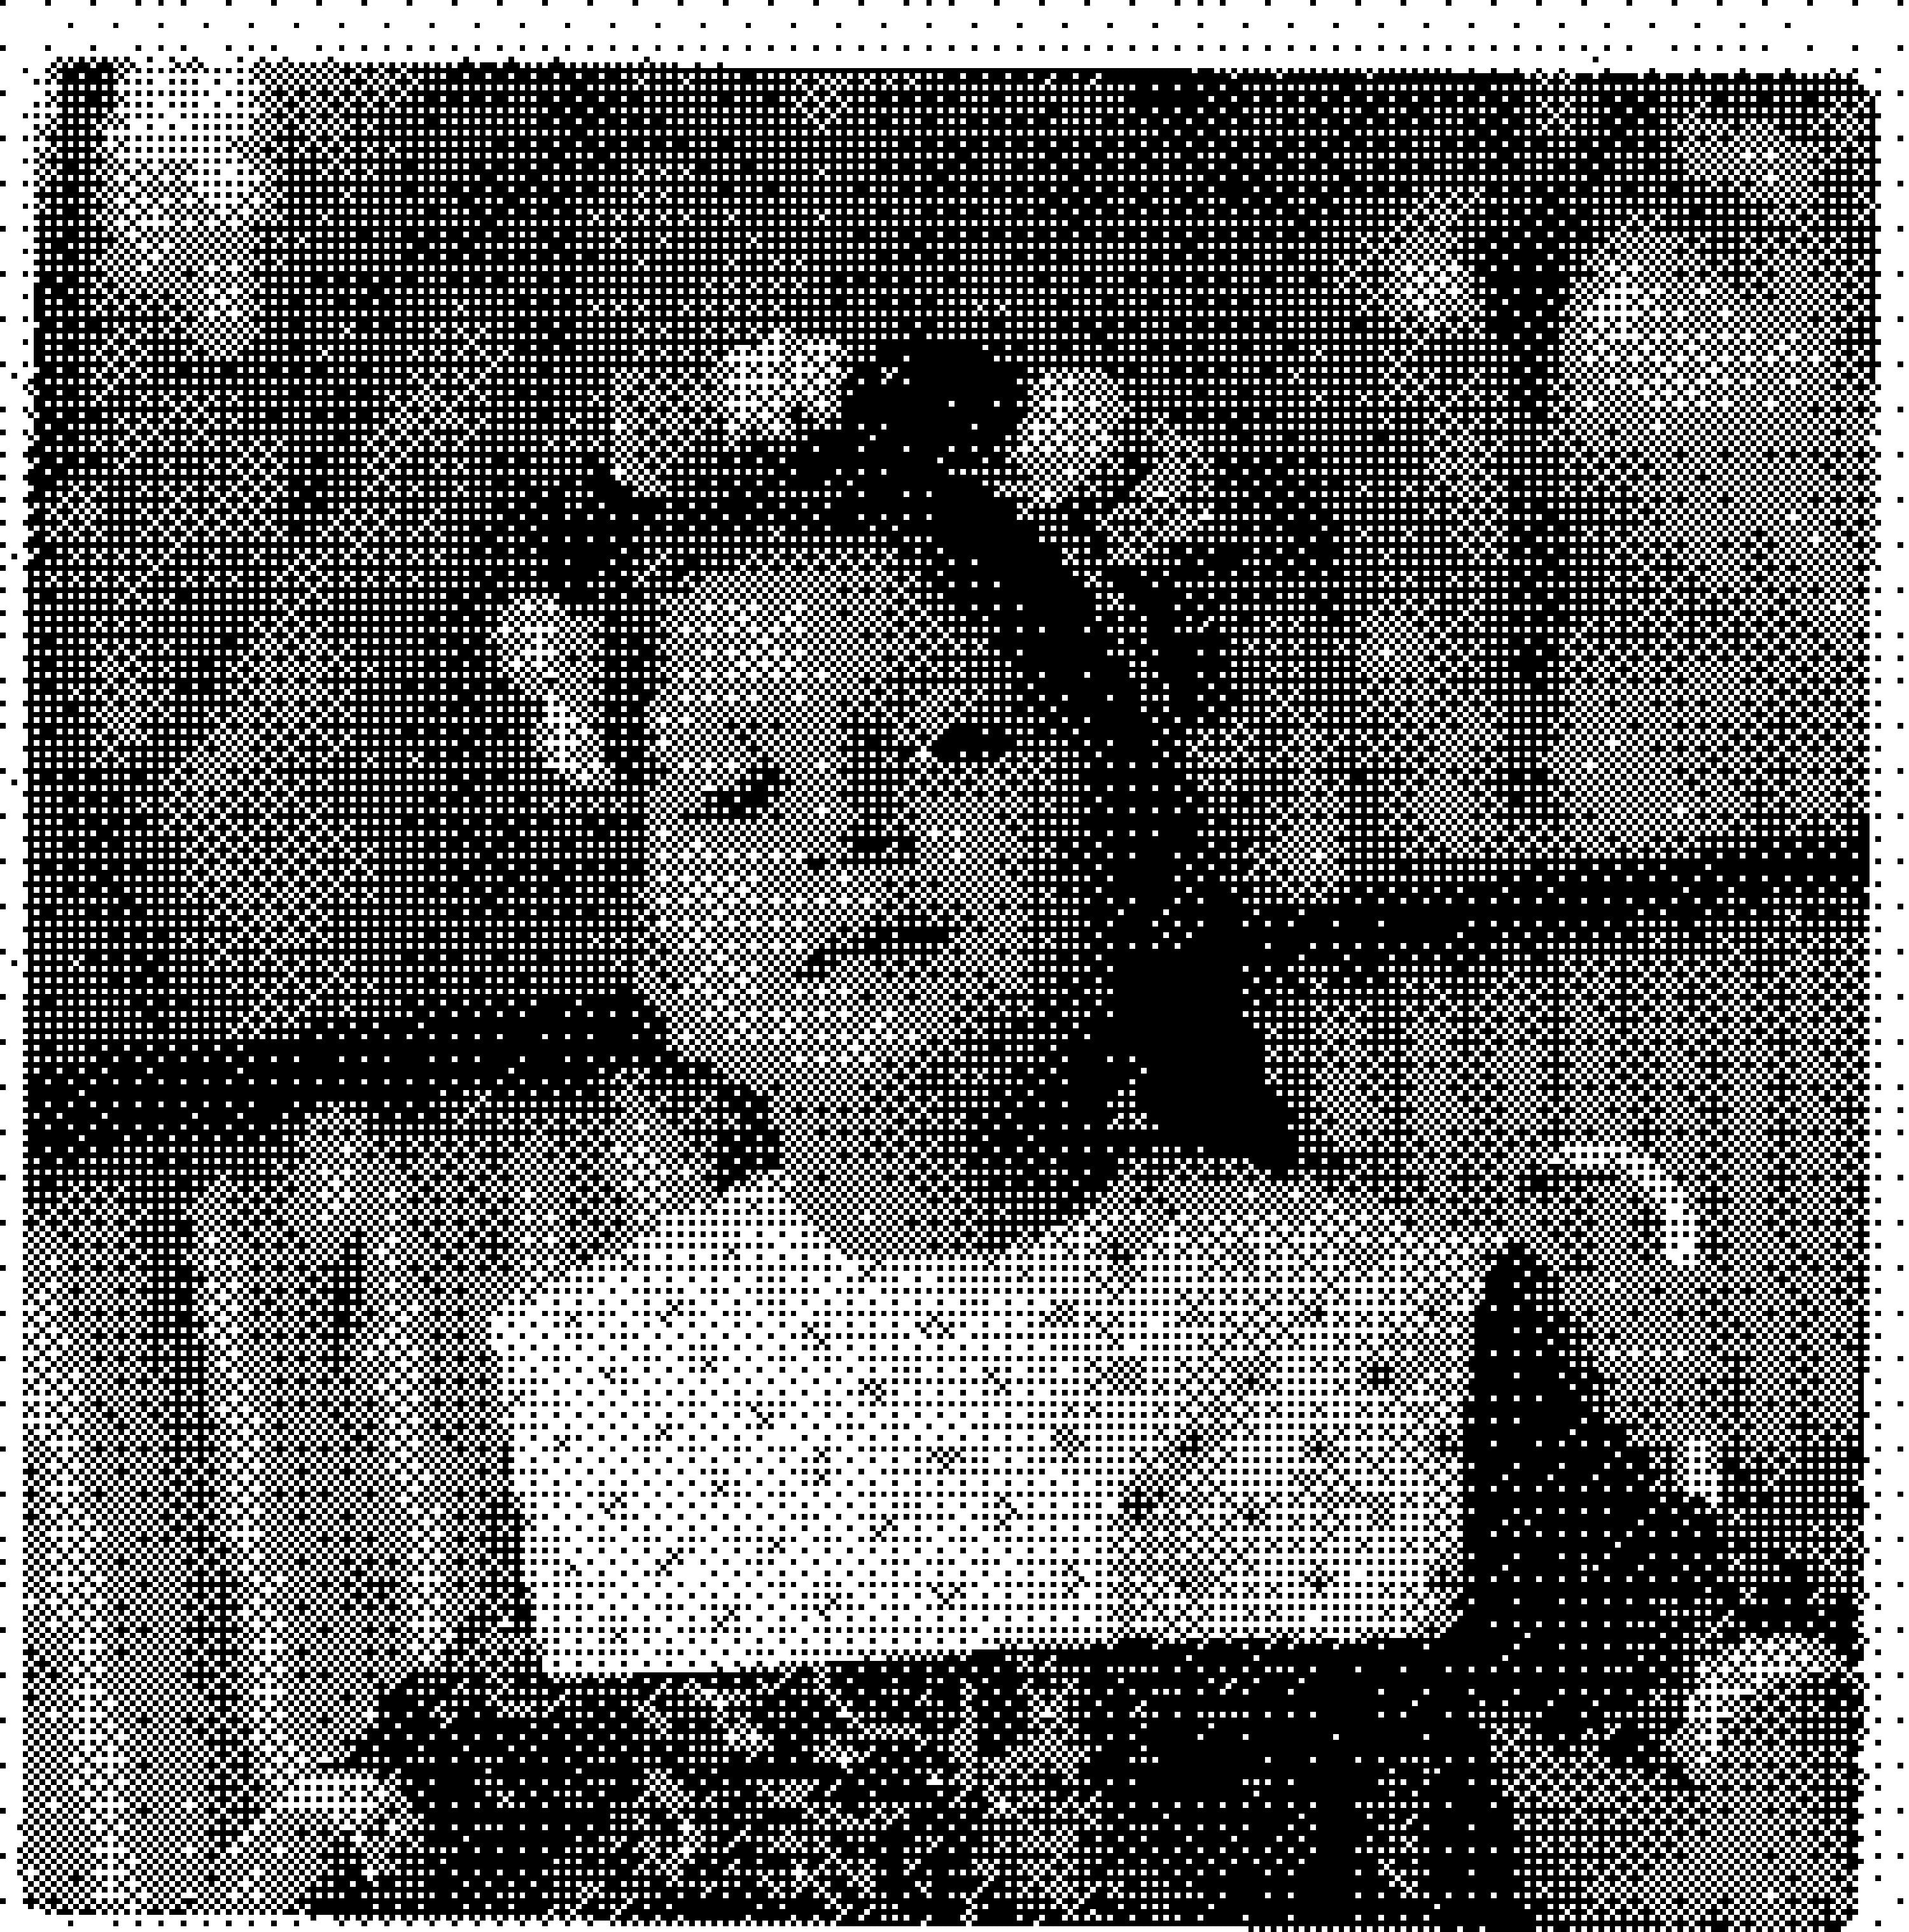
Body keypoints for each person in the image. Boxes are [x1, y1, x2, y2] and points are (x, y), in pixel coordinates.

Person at [220, 339, 1754, 1926]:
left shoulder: (1376, 1313)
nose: (849, 824)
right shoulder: (612, 1370)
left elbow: (1678, 1650)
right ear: (664, 956)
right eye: (745, 793)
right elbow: (486, 1772)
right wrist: (362, 1835)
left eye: (954, 747)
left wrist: (1766, 1712)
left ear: (1153, 848)